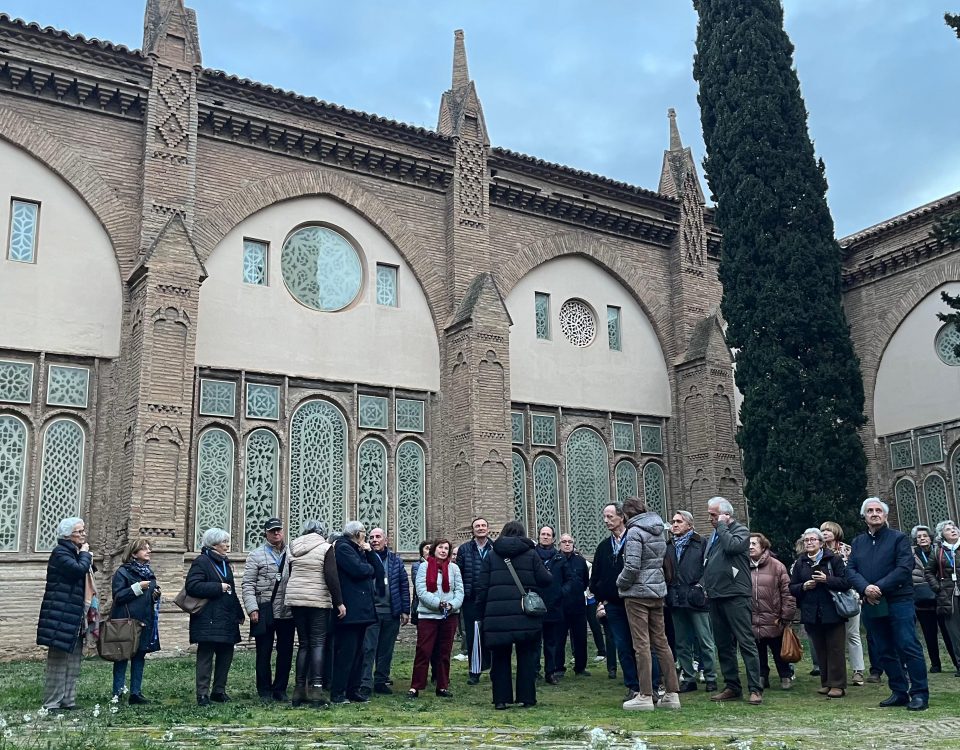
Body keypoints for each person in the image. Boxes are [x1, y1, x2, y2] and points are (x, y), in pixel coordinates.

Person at [847, 497, 928, 711]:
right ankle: (899, 691)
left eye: (878, 510)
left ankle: (919, 693)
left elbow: (904, 568)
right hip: (872, 603)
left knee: (907, 645)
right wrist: (865, 588)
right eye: (870, 511)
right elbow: (851, 570)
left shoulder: (898, 539)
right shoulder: (858, 542)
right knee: (883, 649)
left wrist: (878, 587)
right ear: (864, 517)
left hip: (898, 600)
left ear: (884, 515)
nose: (875, 513)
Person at [476, 520, 552, 710]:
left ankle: (501, 699)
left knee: (500, 658)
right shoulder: (531, 554)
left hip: (497, 616)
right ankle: (527, 698)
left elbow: (482, 586)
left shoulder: (492, 555)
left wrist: (481, 613)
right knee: (527, 656)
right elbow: (546, 579)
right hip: (525, 615)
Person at [616, 496, 680, 711]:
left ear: (626, 515)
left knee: (641, 644)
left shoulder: (634, 532)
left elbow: (632, 566)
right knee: (661, 642)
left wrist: (620, 582)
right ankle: (672, 693)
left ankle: (644, 694)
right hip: (657, 592)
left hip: (637, 594)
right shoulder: (658, 530)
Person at [703, 497, 763, 705]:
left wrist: (721, 525)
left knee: (745, 642)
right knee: (723, 644)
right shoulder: (715, 535)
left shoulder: (740, 531)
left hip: (736, 595)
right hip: (716, 595)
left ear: (726, 515)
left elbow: (732, 548)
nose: (710, 518)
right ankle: (732, 686)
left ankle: (755, 688)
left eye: (713, 514)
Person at [37, 517, 94, 711]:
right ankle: (52, 703)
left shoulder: (76, 552)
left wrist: (84, 555)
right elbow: (77, 570)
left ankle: (68, 701)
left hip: (75, 614)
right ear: (68, 535)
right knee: (58, 661)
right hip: (60, 615)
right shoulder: (60, 553)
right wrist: (85, 555)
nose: (83, 534)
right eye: (79, 531)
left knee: (74, 661)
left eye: (83, 530)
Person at [285, 519, 344, 707]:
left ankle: (299, 690)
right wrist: (339, 602)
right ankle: (317, 690)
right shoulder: (326, 547)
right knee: (318, 643)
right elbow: (331, 576)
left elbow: (289, 572)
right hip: (317, 600)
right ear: (322, 532)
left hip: (296, 599)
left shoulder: (293, 546)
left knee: (304, 644)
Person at [186, 528, 245, 706]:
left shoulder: (225, 563)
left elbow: (231, 590)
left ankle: (219, 690)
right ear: (213, 544)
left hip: (226, 617)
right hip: (207, 617)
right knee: (206, 656)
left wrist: (239, 612)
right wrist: (218, 587)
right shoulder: (201, 562)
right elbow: (192, 586)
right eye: (224, 542)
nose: (227, 545)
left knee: (226, 654)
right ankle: (202, 694)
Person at [590, 502, 640, 702]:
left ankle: (651, 683)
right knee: (622, 645)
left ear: (622, 517)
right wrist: (603, 595)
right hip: (614, 605)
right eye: (605, 517)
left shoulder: (634, 541)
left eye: (610, 516)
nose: (606, 521)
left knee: (642, 644)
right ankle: (633, 686)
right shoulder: (604, 547)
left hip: (636, 602)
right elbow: (596, 577)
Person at [790, 529, 848, 697]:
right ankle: (826, 682)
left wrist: (827, 580)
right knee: (820, 649)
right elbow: (792, 587)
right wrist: (803, 586)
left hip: (832, 611)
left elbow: (846, 582)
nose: (809, 542)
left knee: (835, 649)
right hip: (811, 612)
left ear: (821, 543)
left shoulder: (834, 559)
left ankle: (838, 684)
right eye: (806, 540)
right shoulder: (800, 563)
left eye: (813, 540)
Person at [242, 517, 294, 701]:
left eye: (279, 530)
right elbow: (248, 584)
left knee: (286, 651)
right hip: (264, 610)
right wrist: (252, 608)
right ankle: (264, 689)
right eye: (272, 531)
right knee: (263, 652)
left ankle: (280, 688)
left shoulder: (292, 553)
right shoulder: (256, 555)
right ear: (266, 533)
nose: (276, 533)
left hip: (287, 611)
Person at [664, 510, 717, 693]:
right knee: (681, 642)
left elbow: (709, 567)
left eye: (679, 521)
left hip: (696, 598)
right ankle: (688, 677)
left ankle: (711, 677)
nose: (675, 524)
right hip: (676, 598)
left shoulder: (701, 543)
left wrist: (700, 587)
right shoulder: (668, 545)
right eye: (673, 521)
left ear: (689, 525)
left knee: (705, 640)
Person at [330, 520, 378, 704]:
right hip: (350, 611)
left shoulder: (358, 549)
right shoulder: (343, 547)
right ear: (357, 534)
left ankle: (353, 690)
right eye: (364, 533)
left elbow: (376, 570)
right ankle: (338, 692)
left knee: (359, 652)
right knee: (346, 653)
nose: (366, 537)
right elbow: (358, 570)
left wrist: (369, 553)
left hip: (361, 611)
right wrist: (368, 567)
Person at [359, 528, 410, 698]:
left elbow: (403, 585)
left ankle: (381, 680)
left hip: (391, 611)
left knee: (386, 649)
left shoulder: (395, 561)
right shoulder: (363, 558)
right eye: (371, 537)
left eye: (378, 537)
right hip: (371, 612)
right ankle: (365, 683)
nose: (374, 540)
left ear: (386, 540)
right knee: (368, 648)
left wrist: (405, 610)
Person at [410, 539, 464, 698]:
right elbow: (421, 591)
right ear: (434, 550)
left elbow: (459, 591)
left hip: (449, 616)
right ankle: (416, 686)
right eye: (440, 547)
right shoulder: (424, 566)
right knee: (423, 651)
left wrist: (451, 605)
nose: (443, 550)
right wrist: (438, 604)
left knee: (444, 652)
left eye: (446, 548)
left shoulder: (454, 568)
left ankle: (442, 686)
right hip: (428, 615)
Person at [110, 537, 161, 704]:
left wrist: (154, 595)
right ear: (133, 553)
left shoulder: (149, 573)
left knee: (139, 656)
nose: (149, 551)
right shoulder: (122, 572)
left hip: (144, 621)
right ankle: (117, 693)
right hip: (126, 622)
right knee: (122, 656)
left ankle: (135, 693)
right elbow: (118, 596)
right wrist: (138, 587)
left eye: (149, 548)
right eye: (144, 549)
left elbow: (147, 597)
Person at [819, 520, 867, 686]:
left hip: (848, 596)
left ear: (836, 532)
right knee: (831, 637)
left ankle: (858, 670)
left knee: (853, 634)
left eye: (828, 530)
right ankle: (833, 673)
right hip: (827, 598)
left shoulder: (847, 550)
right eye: (823, 531)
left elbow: (856, 572)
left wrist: (860, 592)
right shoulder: (817, 551)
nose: (825, 533)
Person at [748, 533, 795, 691]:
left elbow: (787, 593)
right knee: (758, 651)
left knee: (778, 650)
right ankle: (762, 677)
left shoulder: (777, 566)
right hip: (752, 618)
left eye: (754, 543)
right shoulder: (743, 566)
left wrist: (786, 615)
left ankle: (785, 675)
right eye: (748, 544)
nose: (750, 546)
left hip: (774, 618)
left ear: (763, 547)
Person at [457, 517, 493, 684]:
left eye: (483, 525)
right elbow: (459, 573)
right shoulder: (465, 549)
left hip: (491, 599)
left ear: (488, 529)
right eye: (477, 526)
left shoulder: (495, 548)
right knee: (473, 635)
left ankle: (495, 669)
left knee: (492, 633)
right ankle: (474, 671)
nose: (480, 528)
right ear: (473, 530)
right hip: (471, 599)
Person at [912, 524, 950, 674]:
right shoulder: (912, 554)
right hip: (922, 599)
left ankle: (956, 660)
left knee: (948, 631)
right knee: (929, 633)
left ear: (931, 538)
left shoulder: (939, 551)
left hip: (940, 596)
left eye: (925, 536)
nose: (922, 539)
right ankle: (935, 664)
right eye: (919, 537)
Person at [925, 520, 960, 677]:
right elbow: (929, 571)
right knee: (954, 631)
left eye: (954, 528)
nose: (953, 530)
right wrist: (937, 587)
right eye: (948, 529)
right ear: (942, 534)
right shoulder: (938, 551)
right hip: (947, 595)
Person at [535, 525, 566, 683]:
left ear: (553, 538)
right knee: (534, 641)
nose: (545, 537)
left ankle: (550, 672)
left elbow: (569, 580)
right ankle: (534, 671)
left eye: (548, 534)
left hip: (554, 606)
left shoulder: (560, 558)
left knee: (551, 642)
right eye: (542, 534)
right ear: (538, 536)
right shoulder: (532, 556)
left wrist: (560, 593)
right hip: (535, 606)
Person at [558, 533, 590, 677]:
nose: (567, 544)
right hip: (560, 606)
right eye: (564, 542)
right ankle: (558, 668)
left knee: (580, 638)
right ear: (559, 544)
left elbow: (585, 581)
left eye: (569, 541)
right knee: (559, 638)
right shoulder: (556, 560)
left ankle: (580, 668)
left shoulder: (580, 561)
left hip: (578, 605)